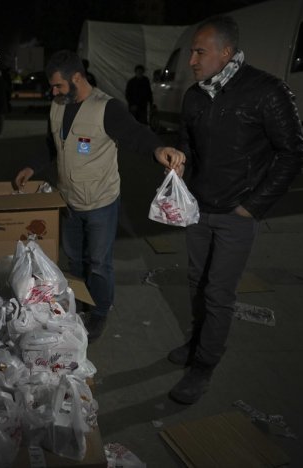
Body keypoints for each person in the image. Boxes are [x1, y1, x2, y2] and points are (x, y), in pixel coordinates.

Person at [157, 15, 303, 405]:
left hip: (236, 215)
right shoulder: (194, 96)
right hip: (198, 210)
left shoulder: (267, 91)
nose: (191, 60)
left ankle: (204, 366)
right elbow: (186, 141)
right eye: (191, 51)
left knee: (219, 293)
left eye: (200, 51)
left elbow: (293, 153)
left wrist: (253, 206)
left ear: (226, 52)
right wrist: (180, 158)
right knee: (196, 283)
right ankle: (196, 343)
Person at [14, 50, 185, 342]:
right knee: (75, 260)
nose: (53, 92)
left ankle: (101, 311)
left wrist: (158, 150)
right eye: (52, 86)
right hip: (68, 200)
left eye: (58, 85)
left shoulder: (106, 108)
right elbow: (52, 144)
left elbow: (135, 134)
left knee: (98, 263)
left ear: (77, 77)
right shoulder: (57, 106)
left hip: (100, 204)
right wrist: (32, 166)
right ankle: (81, 303)